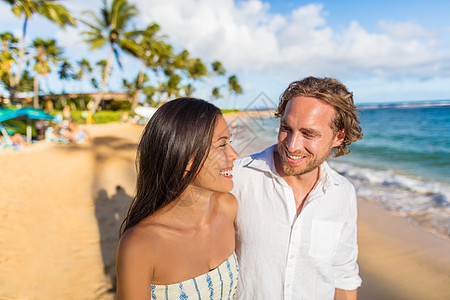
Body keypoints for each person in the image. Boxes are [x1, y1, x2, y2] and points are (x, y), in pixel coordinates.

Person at [232, 76, 363, 299]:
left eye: (308, 134)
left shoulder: (343, 192)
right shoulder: (238, 176)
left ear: (339, 136)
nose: (292, 145)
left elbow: (343, 274)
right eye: (286, 128)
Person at [116, 98, 239, 299]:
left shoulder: (228, 208)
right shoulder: (140, 246)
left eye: (230, 143)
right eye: (222, 145)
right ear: (187, 157)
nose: (233, 154)